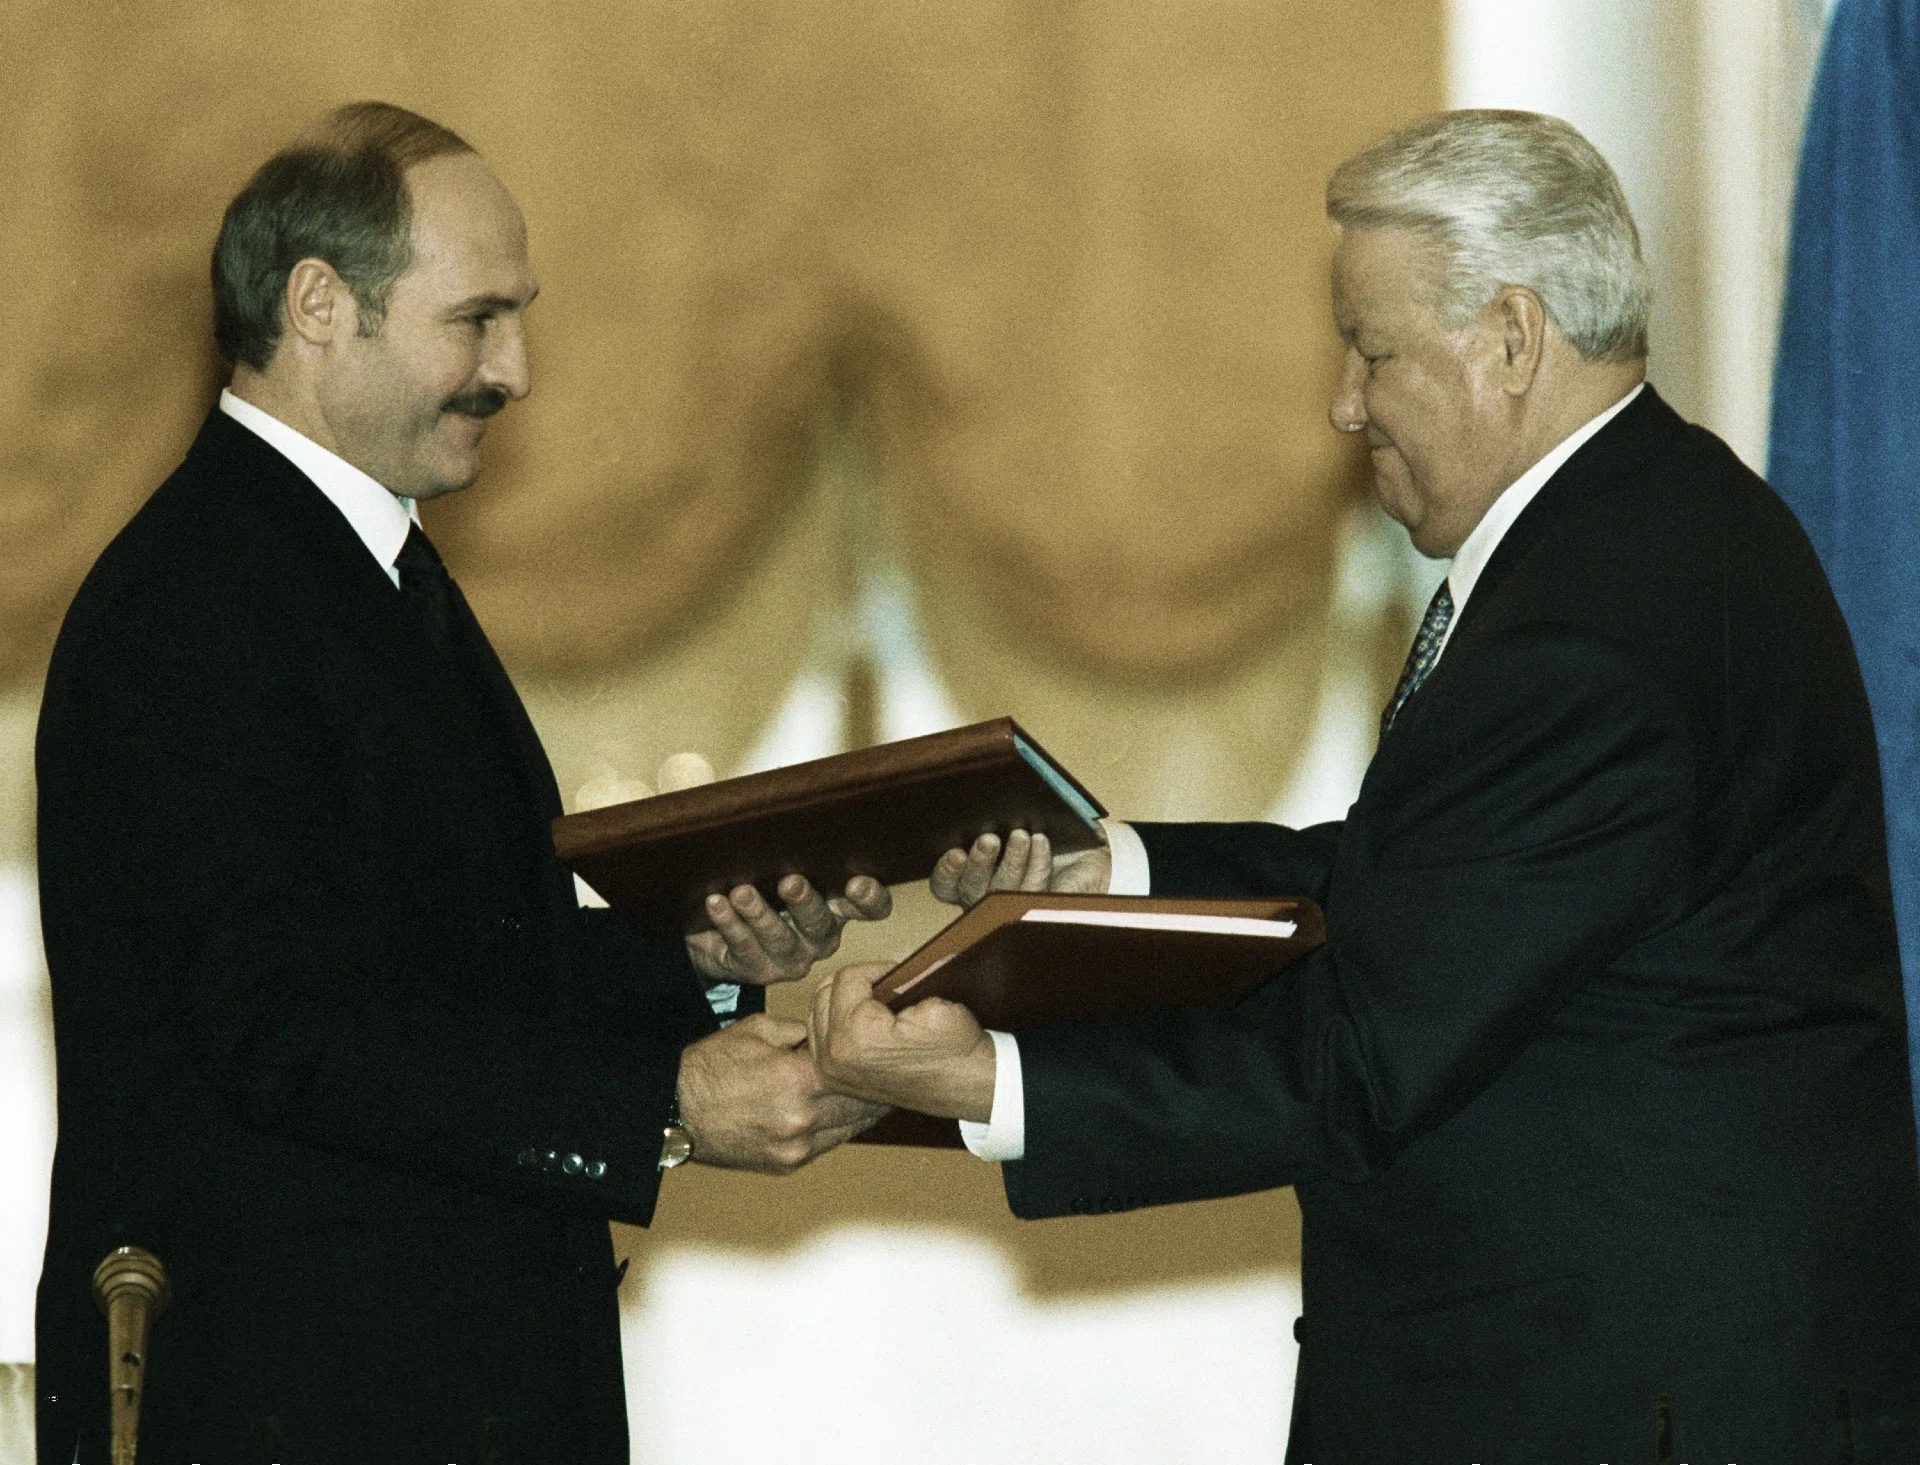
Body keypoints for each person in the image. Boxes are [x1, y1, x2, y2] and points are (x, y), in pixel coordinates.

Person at [811, 110, 1920, 1460]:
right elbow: (1440, 883)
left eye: (1373, 349)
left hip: (1617, 1403)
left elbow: (1366, 1049)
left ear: (1511, 337)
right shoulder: (1650, 528)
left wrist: (995, 1079)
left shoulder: (1594, 623)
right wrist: (1123, 870)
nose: (1345, 402)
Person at [35, 102, 889, 1463]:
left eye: (519, 319)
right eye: (477, 320)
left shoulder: (350, 566)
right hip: (304, 1405)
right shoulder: (193, 603)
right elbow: (287, 1032)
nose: (517, 371)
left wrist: (699, 962)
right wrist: (665, 1103)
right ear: (321, 306)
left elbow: (442, 959)